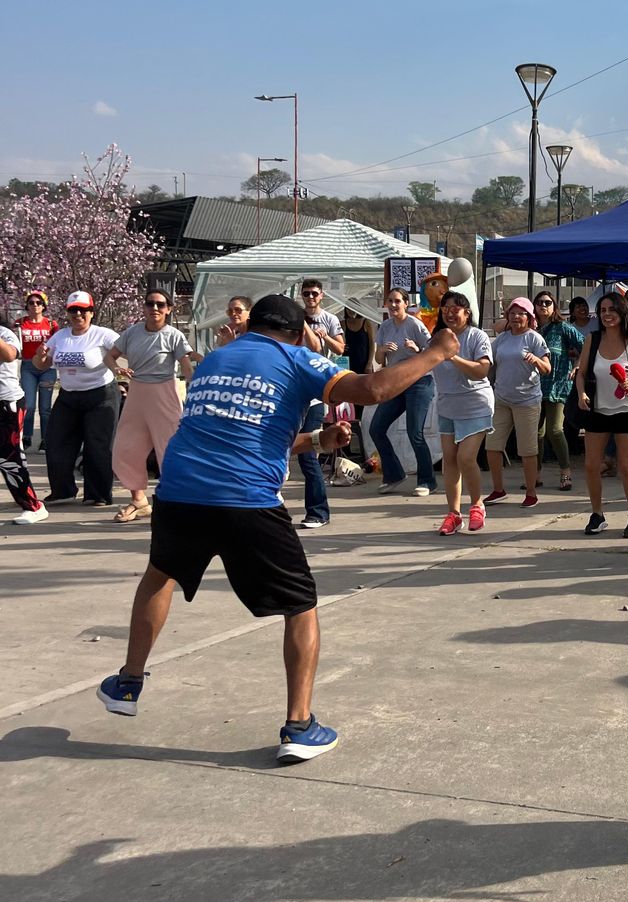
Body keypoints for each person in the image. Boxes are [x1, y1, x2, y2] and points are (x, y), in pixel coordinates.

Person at [95, 294, 458, 762]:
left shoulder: (215, 361)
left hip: (181, 490)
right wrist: (436, 353)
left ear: (251, 327)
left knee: (160, 572)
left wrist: (317, 440)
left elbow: (246, 431)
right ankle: (299, 726)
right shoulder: (296, 356)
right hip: (247, 500)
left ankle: (127, 683)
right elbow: (374, 390)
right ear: (295, 332)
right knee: (301, 605)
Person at [105, 290, 193, 523]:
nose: (155, 308)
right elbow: (110, 356)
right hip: (137, 394)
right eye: (150, 303)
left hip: (164, 394)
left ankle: (178, 502)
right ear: (143, 307)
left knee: (170, 449)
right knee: (126, 448)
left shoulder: (173, 335)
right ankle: (139, 501)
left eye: (160, 304)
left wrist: (196, 390)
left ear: (169, 309)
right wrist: (117, 369)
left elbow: (186, 365)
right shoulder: (132, 332)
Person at [34, 291, 120, 505]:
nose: (78, 314)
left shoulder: (103, 334)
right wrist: (40, 356)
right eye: (73, 310)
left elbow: (128, 351)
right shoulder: (60, 336)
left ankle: (97, 494)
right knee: (55, 441)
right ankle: (63, 491)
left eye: (83, 310)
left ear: (92, 312)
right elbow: (41, 365)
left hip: (100, 395)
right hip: (68, 397)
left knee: (97, 445)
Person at [575, 292, 628, 537]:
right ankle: (597, 514)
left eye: (612, 310)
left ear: (622, 312)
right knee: (591, 465)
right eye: (603, 310)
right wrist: (581, 394)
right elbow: (582, 373)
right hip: (597, 408)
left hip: (626, 410)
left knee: (625, 466)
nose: (607, 315)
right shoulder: (592, 339)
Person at [431, 291, 494, 535]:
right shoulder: (437, 338)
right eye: (445, 307)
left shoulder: (477, 336)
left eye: (455, 308)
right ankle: (453, 514)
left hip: (476, 404)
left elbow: (481, 371)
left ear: (467, 313)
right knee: (449, 459)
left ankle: (477, 505)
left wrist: (453, 356)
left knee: (466, 458)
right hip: (448, 405)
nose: (449, 312)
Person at [485, 298, 551, 507]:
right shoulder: (502, 339)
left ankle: (531, 493)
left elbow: (547, 368)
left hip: (527, 401)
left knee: (527, 449)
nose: (515, 317)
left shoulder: (534, 338)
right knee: (492, 447)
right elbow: (489, 364)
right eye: (512, 313)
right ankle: (498, 490)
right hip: (501, 399)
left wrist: (536, 360)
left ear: (529, 318)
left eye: (521, 313)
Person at [371, 288, 436, 496]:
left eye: (397, 301)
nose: (393, 305)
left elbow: (432, 353)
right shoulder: (385, 327)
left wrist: (417, 350)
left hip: (419, 382)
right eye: (389, 301)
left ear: (406, 304)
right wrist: (381, 351)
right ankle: (394, 475)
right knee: (376, 429)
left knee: (414, 432)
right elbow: (379, 361)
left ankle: (427, 481)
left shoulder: (415, 325)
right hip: (395, 382)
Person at [296, 278, 345, 529]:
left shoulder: (330, 319)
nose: (310, 298)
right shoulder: (296, 318)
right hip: (295, 394)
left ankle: (318, 511)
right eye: (306, 294)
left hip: (317, 394)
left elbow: (339, 348)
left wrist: (325, 338)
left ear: (322, 295)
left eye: (314, 294)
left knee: (307, 454)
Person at [534, 289, 583, 492]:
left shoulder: (562, 327)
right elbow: (500, 325)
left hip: (557, 384)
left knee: (555, 430)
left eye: (548, 302)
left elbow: (585, 344)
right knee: (535, 433)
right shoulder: (531, 330)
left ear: (554, 306)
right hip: (533, 386)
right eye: (539, 302)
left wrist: (577, 365)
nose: (543, 306)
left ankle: (565, 472)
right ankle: (534, 474)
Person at [0, 312, 47, 524]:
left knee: (9, 457)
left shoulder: (6, 334)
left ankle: (34, 506)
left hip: (7, 403)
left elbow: (10, 354)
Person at [17, 290, 57, 450]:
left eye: (38, 303)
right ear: (27, 305)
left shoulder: (51, 324)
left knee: (45, 407)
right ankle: (27, 436)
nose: (35, 305)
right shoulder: (20, 323)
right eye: (31, 302)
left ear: (44, 306)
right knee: (29, 405)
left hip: (47, 367)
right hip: (28, 367)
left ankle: (46, 439)